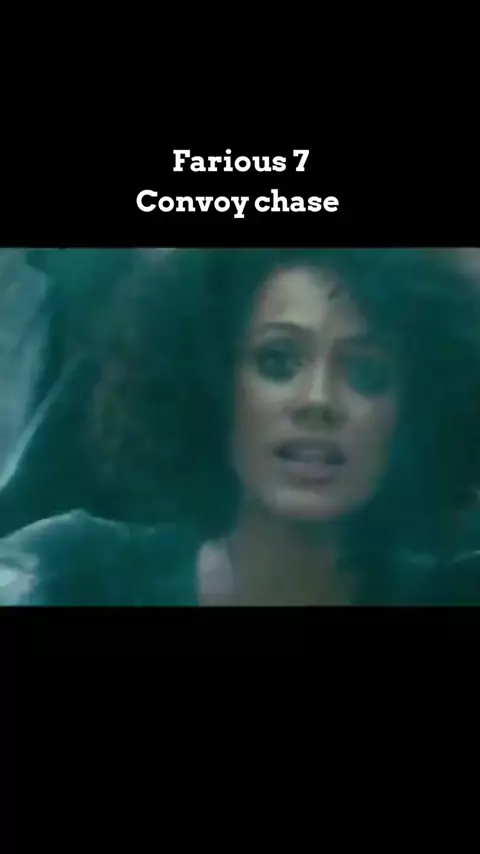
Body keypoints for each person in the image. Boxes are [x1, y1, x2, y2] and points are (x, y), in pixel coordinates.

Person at [1, 248, 480, 606]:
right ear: (214, 385)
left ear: (414, 409)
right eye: (277, 361)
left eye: (366, 373)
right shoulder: (71, 576)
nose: (318, 400)